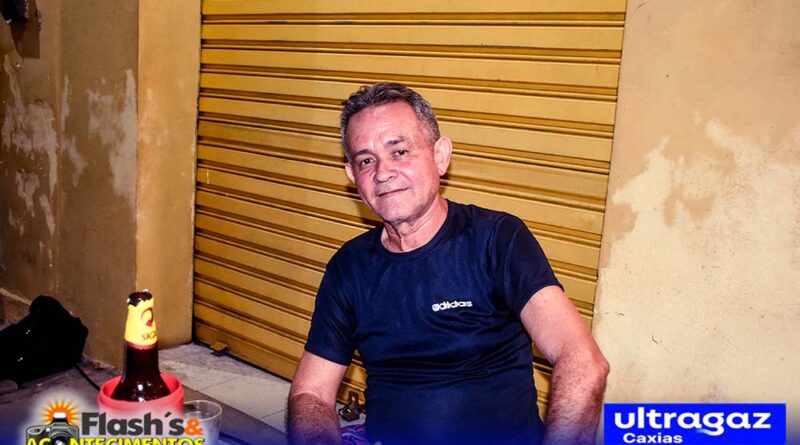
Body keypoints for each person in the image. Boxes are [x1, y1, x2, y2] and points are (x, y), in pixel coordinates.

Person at [287, 83, 609, 445]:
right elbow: (311, 392)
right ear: (352, 177)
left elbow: (582, 360)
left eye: (400, 151)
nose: (382, 172)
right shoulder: (349, 267)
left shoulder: (496, 239)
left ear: (440, 156)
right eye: (366, 160)